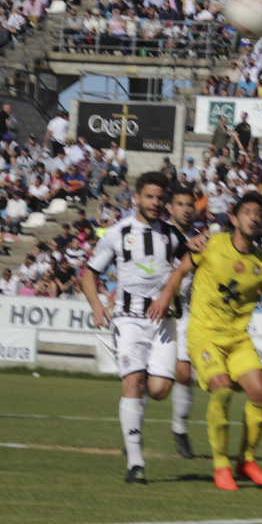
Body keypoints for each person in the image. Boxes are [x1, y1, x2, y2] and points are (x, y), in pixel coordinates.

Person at [150, 193, 262, 491]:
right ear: (235, 217)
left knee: (261, 393)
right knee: (222, 389)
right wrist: (165, 296)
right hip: (204, 334)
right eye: (248, 212)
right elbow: (181, 270)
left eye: (259, 213)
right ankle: (221, 464)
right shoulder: (211, 244)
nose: (254, 217)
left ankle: (246, 460)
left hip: (237, 339)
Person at [82, 172, 189, 484]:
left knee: (158, 390)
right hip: (128, 319)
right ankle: (135, 462)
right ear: (137, 199)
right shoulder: (118, 233)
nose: (155, 203)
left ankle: (135, 419)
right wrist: (97, 305)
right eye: (150, 197)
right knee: (133, 383)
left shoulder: (172, 235)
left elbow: (190, 264)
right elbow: (89, 273)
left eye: (160, 198)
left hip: (164, 323)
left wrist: (175, 286)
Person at [167, 190, 198, 459]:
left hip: (185, 312)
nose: (186, 209)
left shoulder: (200, 239)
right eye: (180, 204)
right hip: (154, 307)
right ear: (170, 207)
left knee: (185, 374)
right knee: (142, 377)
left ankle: (179, 429)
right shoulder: (158, 234)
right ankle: (133, 433)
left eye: (190, 205)